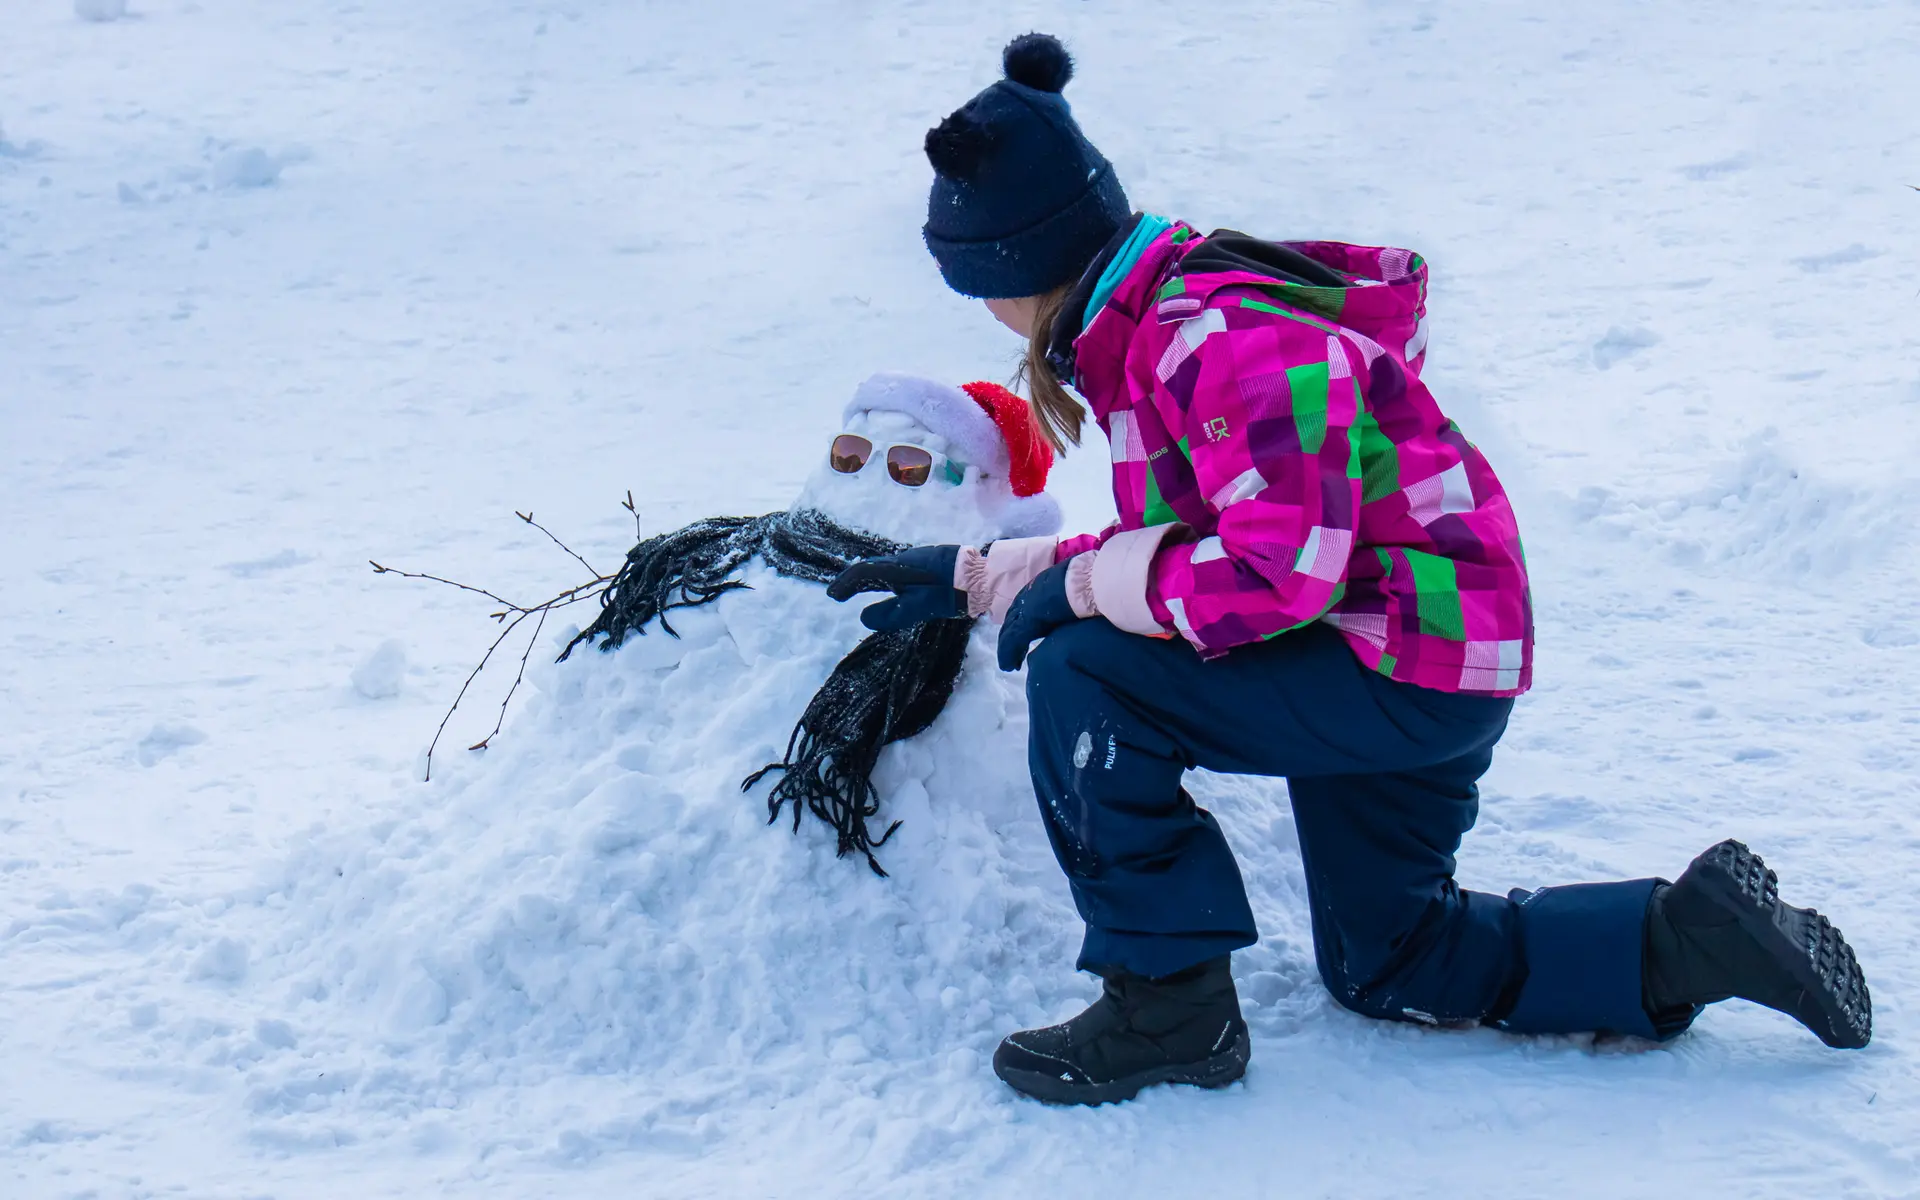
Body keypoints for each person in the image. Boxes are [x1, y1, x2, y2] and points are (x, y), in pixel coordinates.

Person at [826, 32, 1872, 1106]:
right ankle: (1692, 938)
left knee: (1084, 672)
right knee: (1394, 961)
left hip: (1397, 659)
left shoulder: (1216, 341)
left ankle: (1166, 1009)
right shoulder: (1159, 329)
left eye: (979, 286)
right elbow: (1206, 548)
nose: (987, 313)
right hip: (1412, 650)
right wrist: (989, 575)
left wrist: (1081, 593)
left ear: (1020, 261)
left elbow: (1274, 577)